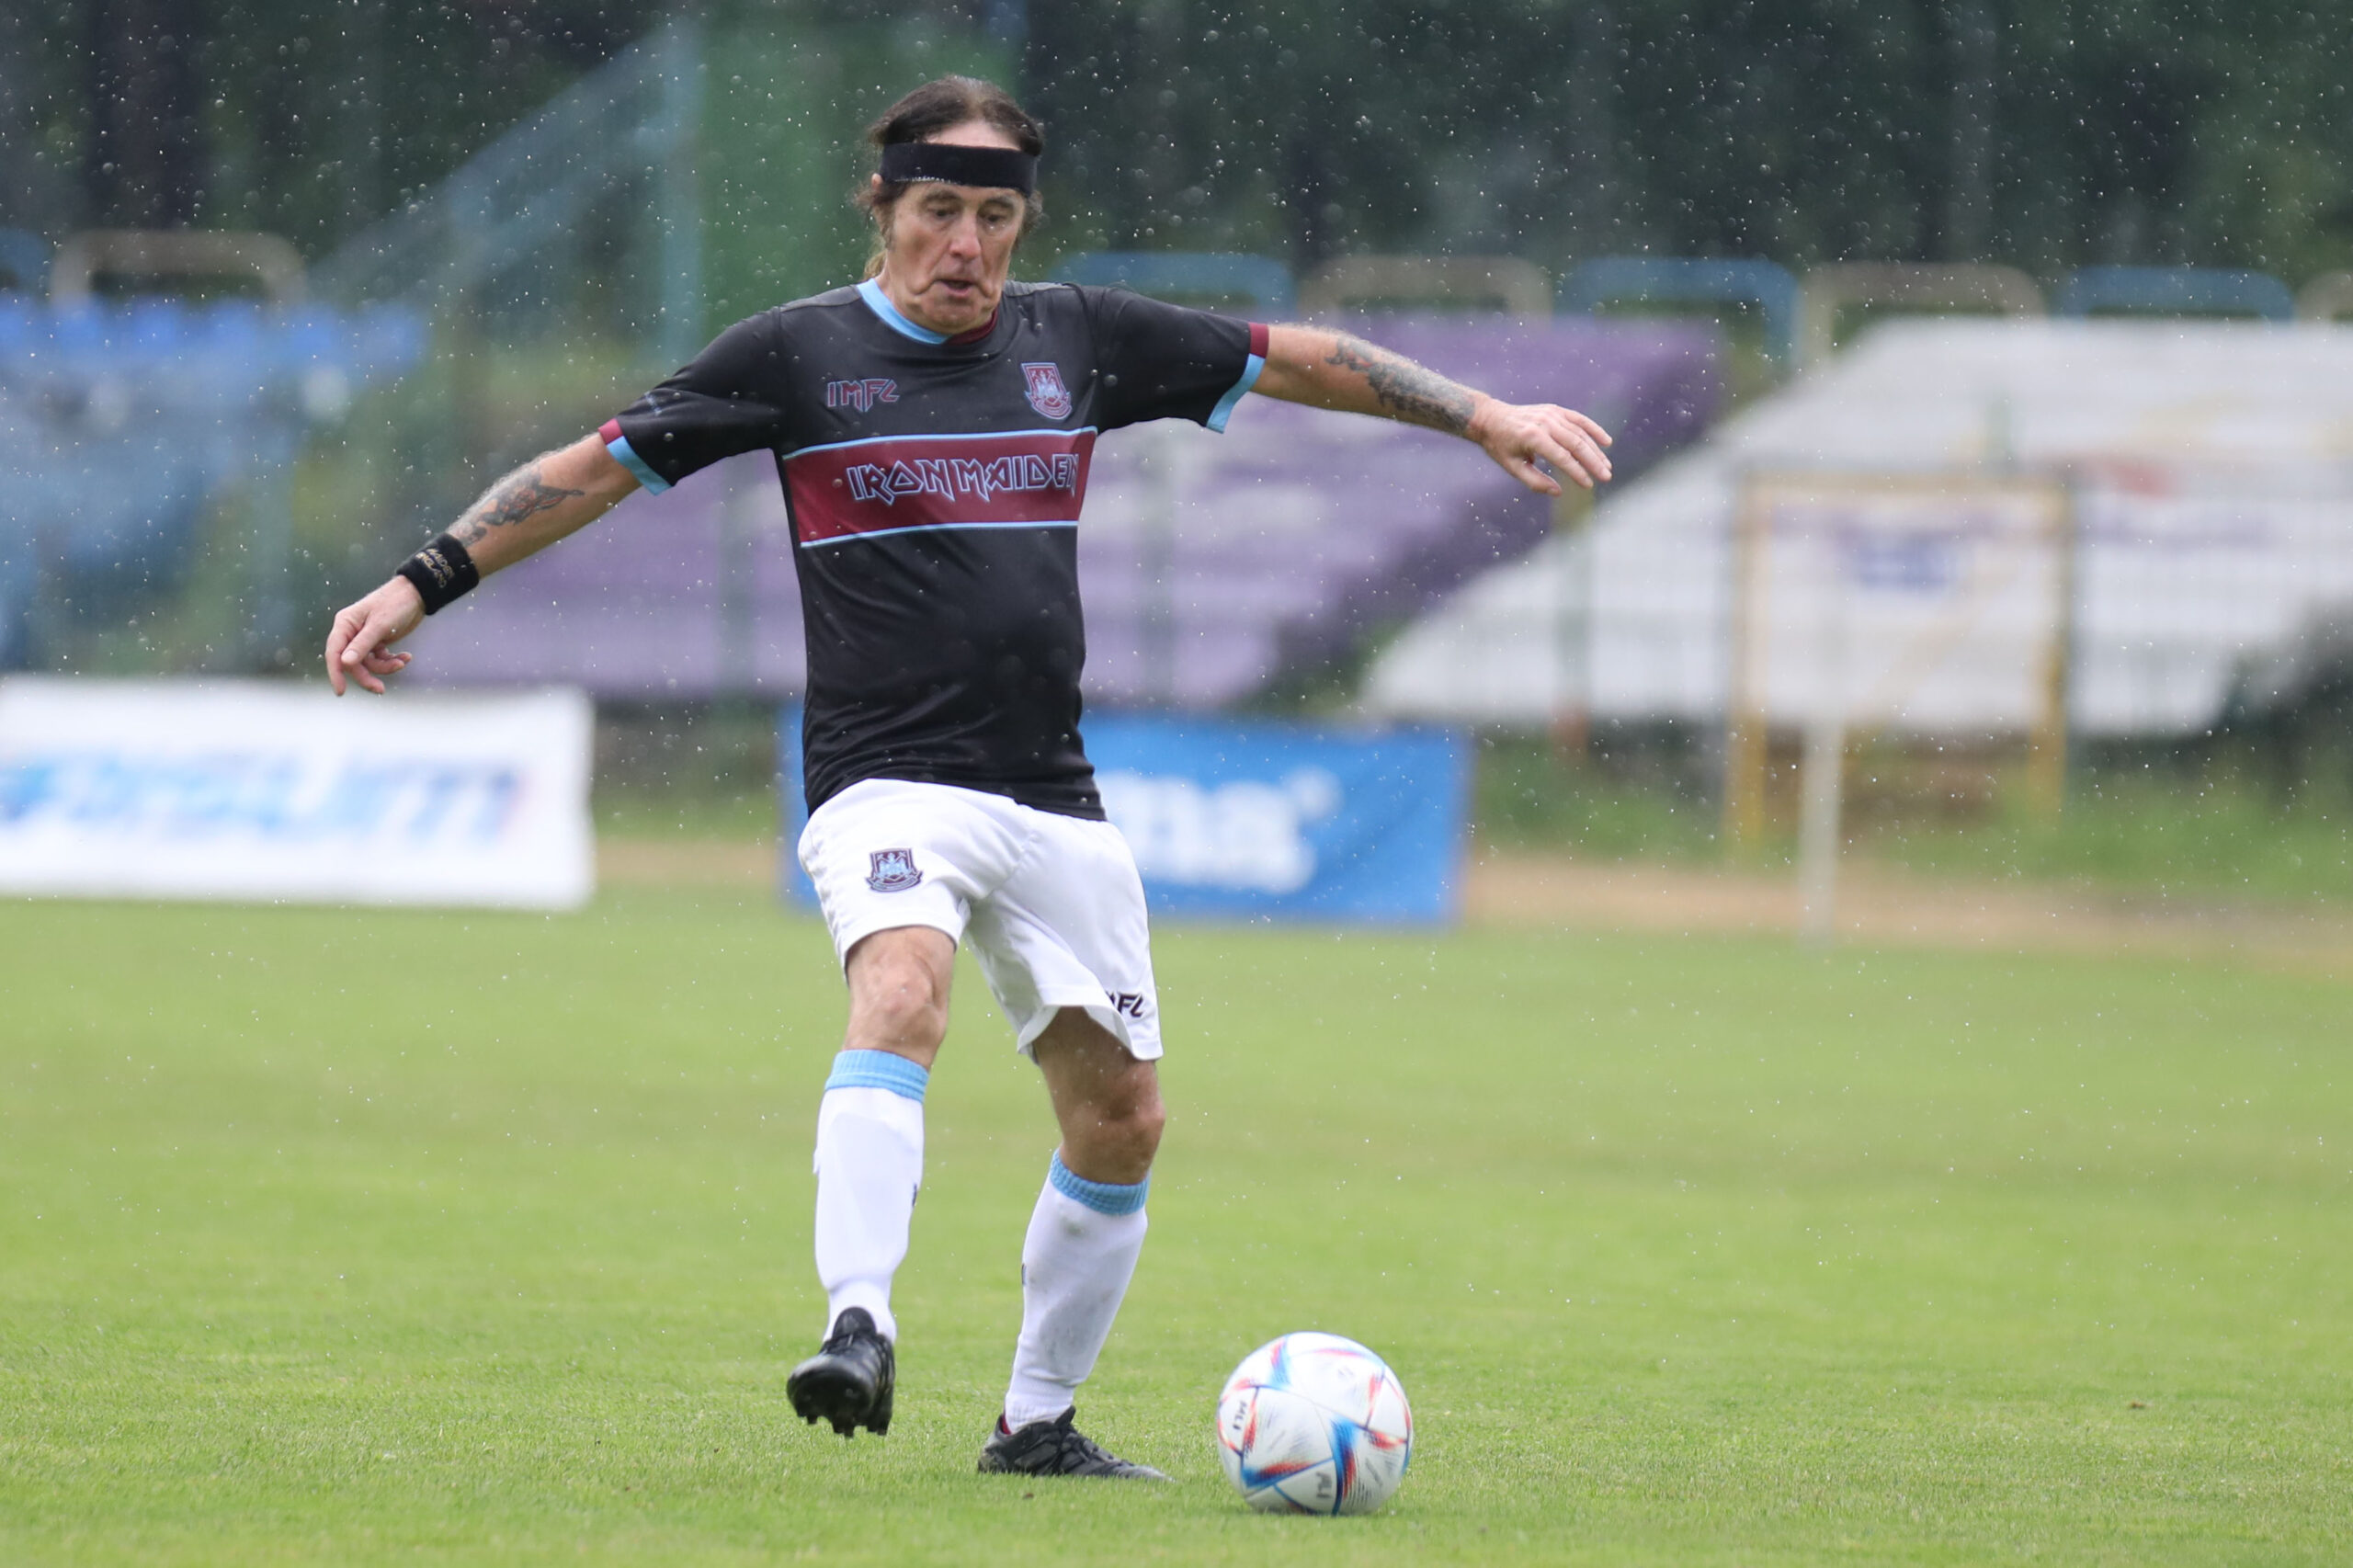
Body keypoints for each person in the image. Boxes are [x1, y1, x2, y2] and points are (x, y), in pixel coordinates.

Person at [324, 74, 1612, 1480]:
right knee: (902, 993)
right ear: (881, 208)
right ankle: (858, 1323)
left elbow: (1294, 358)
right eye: (939, 210)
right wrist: (421, 579)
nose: (968, 245)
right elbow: (596, 469)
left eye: (996, 216)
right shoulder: (797, 354)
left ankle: (1035, 1422)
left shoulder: (1080, 337)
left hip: (1050, 790)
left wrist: (1481, 413)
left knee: (1122, 1117)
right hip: (885, 781)